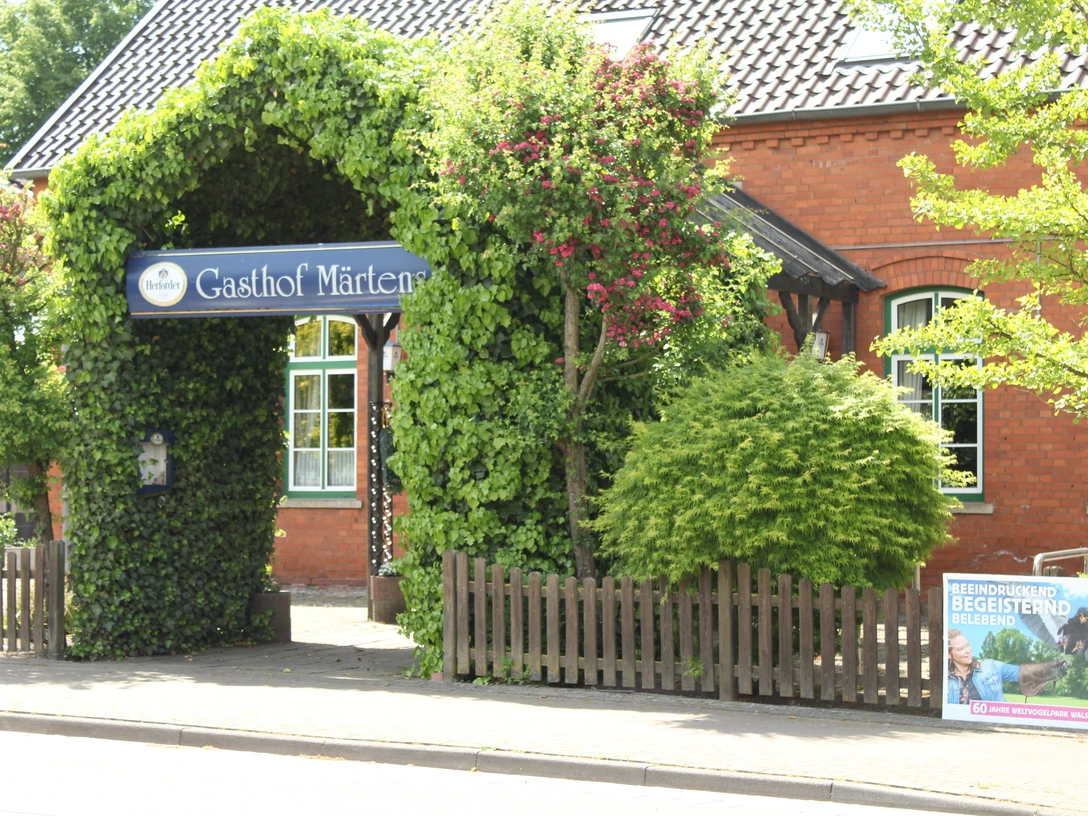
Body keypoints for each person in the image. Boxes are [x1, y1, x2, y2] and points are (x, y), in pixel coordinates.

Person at [947, 629, 1068, 704]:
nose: (968, 650)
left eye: (967, 645)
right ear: (948, 654)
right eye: (961, 649)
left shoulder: (990, 666)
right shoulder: (944, 679)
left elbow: (1020, 672)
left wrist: (1049, 668)